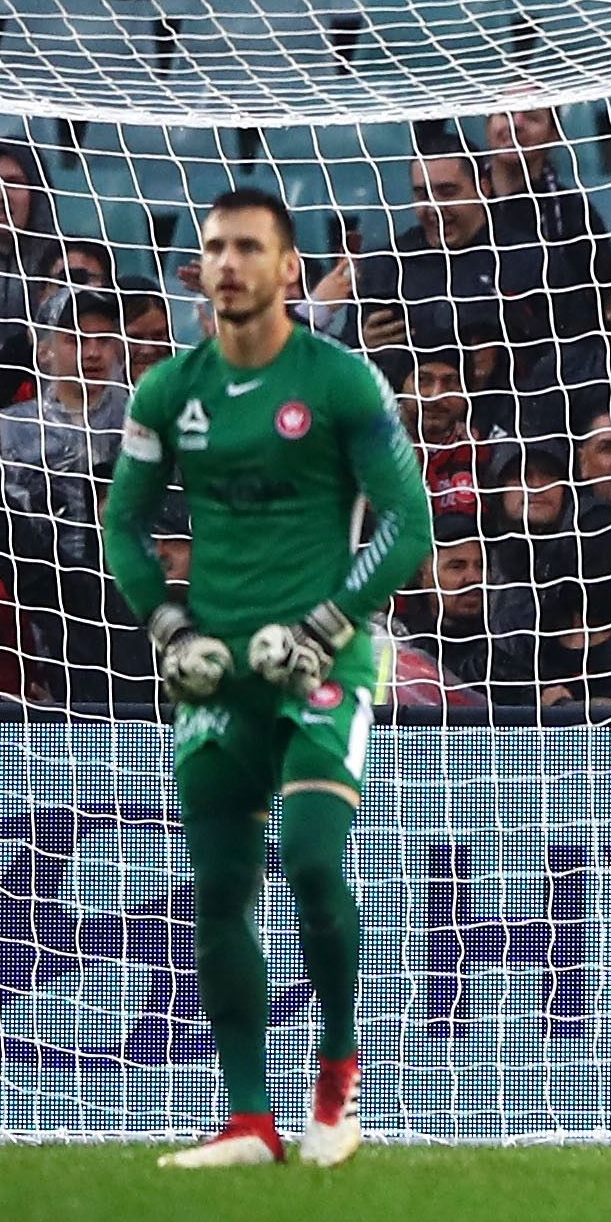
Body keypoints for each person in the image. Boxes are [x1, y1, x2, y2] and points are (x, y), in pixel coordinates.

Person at [103, 188, 438, 1169]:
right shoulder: (168, 390)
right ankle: (248, 1121)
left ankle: (338, 1076)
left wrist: (330, 622)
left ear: (293, 269)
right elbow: (122, 527)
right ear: (196, 270)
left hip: (323, 660)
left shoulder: (341, 383)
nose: (231, 263)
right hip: (215, 673)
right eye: (215, 249)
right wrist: (168, 627)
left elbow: (406, 524)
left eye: (251, 247)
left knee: (313, 860)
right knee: (217, 894)